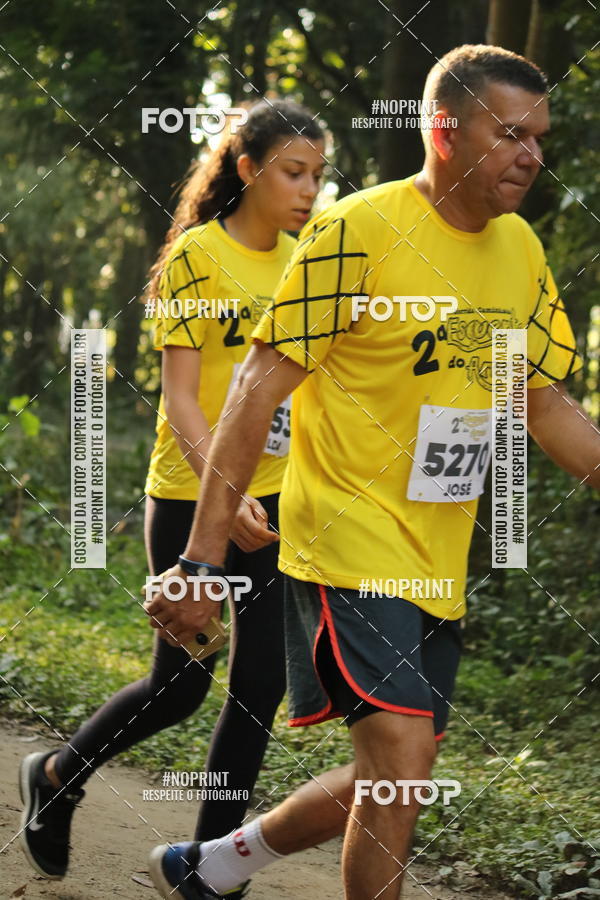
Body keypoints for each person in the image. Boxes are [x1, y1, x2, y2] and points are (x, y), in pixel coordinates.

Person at [146, 45, 600, 900]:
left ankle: (213, 864)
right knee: (397, 757)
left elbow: (542, 403)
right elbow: (255, 385)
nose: (532, 155)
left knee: (403, 773)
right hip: (344, 535)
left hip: (437, 550)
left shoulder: (522, 250)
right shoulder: (360, 228)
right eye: (510, 134)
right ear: (442, 131)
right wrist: (201, 563)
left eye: (539, 137)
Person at [18, 98, 325, 898]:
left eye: (319, 176)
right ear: (250, 168)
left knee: (259, 690)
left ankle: (209, 868)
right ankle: (57, 774)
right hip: (193, 494)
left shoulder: (307, 262)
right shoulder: (198, 255)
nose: (308, 190)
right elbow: (182, 399)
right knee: (182, 685)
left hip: (279, 504)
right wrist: (230, 490)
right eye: (294, 172)